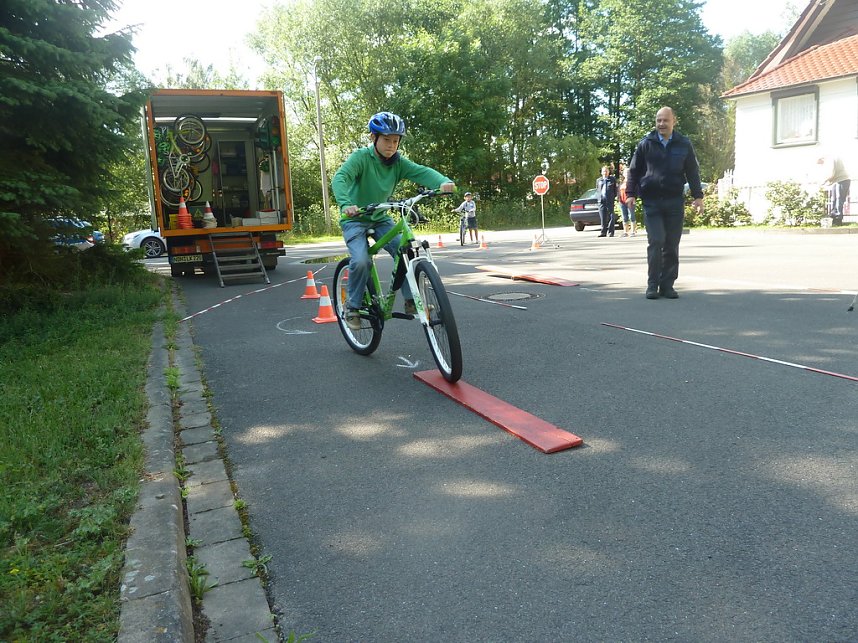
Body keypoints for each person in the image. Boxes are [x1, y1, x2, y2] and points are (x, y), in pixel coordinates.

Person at [331, 111, 455, 329]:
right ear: (373, 138)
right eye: (386, 140)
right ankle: (352, 307)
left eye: (395, 141)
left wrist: (443, 182)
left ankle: (410, 300)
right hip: (355, 218)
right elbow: (341, 178)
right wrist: (345, 204)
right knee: (361, 261)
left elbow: (422, 172)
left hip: (380, 218)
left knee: (406, 249)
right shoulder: (361, 158)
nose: (391, 145)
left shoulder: (398, 163)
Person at [625, 106, 703, 299]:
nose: (661, 124)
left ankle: (667, 285)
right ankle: (652, 285)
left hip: (674, 201)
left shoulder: (684, 144)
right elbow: (634, 170)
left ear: (673, 121)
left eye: (665, 120)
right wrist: (630, 193)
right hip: (652, 201)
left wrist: (698, 196)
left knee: (671, 244)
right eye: (658, 120)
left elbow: (692, 171)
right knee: (656, 240)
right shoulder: (646, 143)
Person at [818, 156, 851, 225]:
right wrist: (828, 183)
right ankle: (834, 217)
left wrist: (824, 181)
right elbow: (832, 175)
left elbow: (832, 173)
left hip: (842, 180)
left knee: (839, 199)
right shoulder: (830, 160)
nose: (820, 165)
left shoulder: (830, 160)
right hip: (838, 181)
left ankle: (838, 219)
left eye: (820, 163)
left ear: (821, 158)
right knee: (834, 199)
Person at [596, 165, 617, 237]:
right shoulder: (598, 180)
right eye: (603, 171)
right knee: (602, 216)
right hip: (601, 201)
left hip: (610, 200)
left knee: (611, 216)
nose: (605, 172)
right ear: (601, 172)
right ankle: (603, 232)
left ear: (608, 172)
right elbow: (597, 190)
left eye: (606, 171)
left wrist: (614, 197)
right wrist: (598, 198)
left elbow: (615, 190)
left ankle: (611, 232)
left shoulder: (612, 179)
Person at [617, 162, 637, 237]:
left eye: (628, 172)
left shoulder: (632, 182)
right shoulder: (621, 182)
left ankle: (633, 231)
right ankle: (625, 232)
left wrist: (634, 198)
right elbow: (618, 191)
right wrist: (618, 199)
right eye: (625, 172)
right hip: (622, 202)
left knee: (631, 216)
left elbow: (636, 191)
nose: (626, 174)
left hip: (630, 201)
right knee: (624, 217)